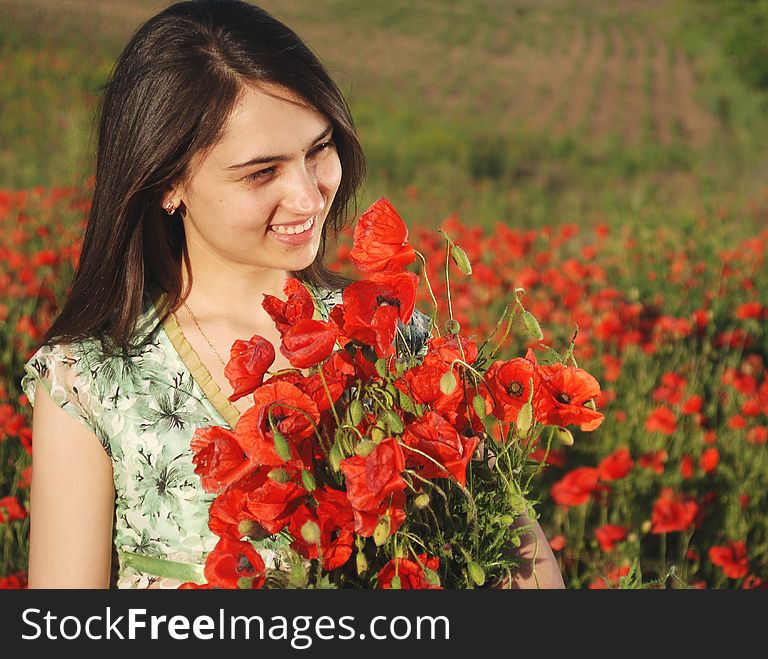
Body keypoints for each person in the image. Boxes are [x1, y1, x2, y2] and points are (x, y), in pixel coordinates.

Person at [21, 0, 564, 589]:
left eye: (318, 150)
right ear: (168, 181)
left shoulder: (395, 336)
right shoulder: (91, 379)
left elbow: (525, 570)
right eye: (262, 172)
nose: (308, 197)